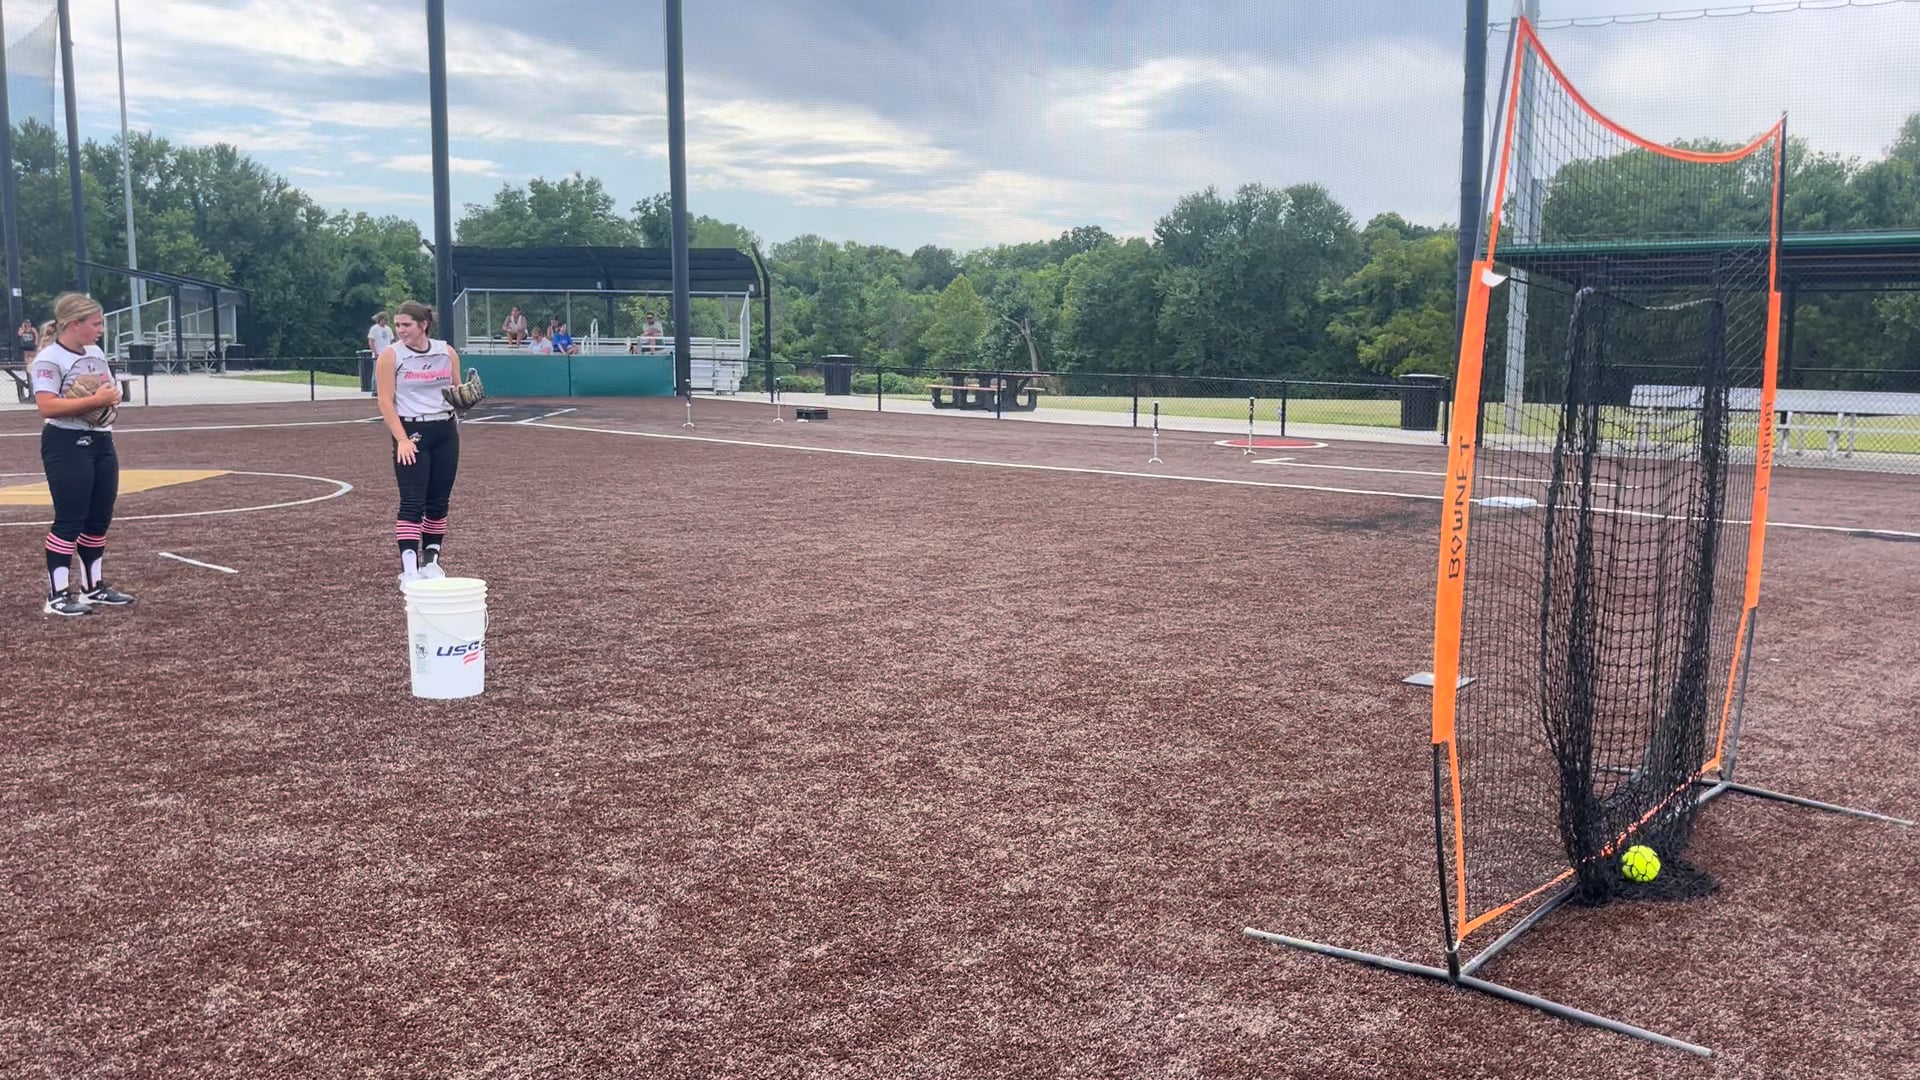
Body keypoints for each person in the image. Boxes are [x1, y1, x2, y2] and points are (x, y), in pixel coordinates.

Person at [29, 292, 133, 616]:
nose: (101, 329)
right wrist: (94, 401)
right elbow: (47, 406)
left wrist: (111, 397)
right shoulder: (50, 358)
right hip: (66, 440)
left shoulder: (95, 352)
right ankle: (57, 596)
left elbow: (107, 391)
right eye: (96, 323)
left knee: (99, 517)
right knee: (70, 518)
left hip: (101, 439)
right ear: (74, 324)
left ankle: (93, 588)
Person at [375, 300, 465, 586]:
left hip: (445, 430)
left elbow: (456, 390)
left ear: (423, 325)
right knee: (413, 501)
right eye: (397, 325)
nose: (400, 330)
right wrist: (401, 439)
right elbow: (385, 401)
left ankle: (431, 562)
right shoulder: (391, 355)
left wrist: (465, 398)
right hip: (412, 431)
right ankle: (409, 569)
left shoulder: (446, 352)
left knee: (438, 501)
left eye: (406, 325)